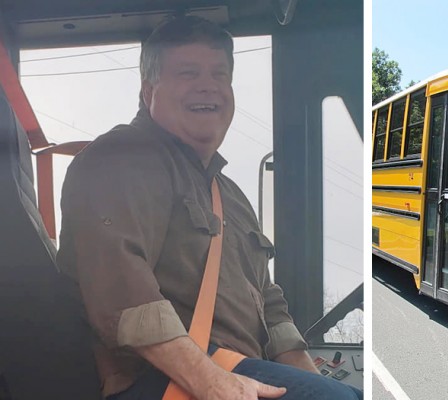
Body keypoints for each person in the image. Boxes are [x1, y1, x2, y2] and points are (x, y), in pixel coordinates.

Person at [57, 15, 362, 400]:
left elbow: (270, 305)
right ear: (148, 89)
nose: (208, 86)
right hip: (157, 379)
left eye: (221, 75)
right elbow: (122, 292)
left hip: (233, 370)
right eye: (188, 73)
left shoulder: (229, 195)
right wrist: (212, 382)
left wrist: (316, 381)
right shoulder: (118, 160)